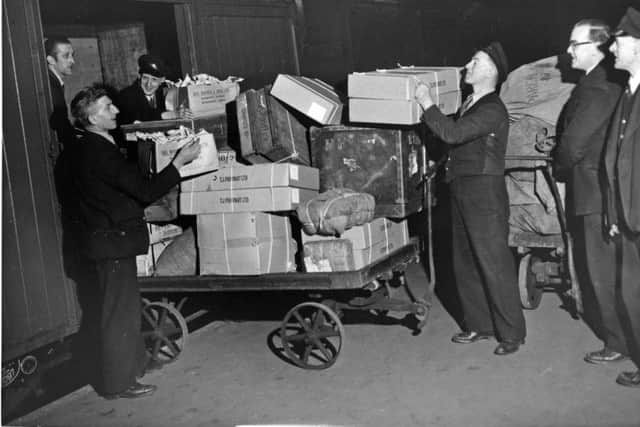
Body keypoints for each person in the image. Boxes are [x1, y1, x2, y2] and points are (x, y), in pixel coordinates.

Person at [69, 85, 200, 399]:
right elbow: (143, 191)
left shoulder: (93, 146)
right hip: (111, 244)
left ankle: (132, 368)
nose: (115, 110)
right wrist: (178, 163)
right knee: (118, 314)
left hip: (108, 242)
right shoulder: (98, 151)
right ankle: (118, 384)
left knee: (121, 310)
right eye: (107, 106)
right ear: (91, 117)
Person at [415, 42, 526, 356]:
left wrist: (426, 102)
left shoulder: (492, 108)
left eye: (475, 61)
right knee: (464, 261)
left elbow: (452, 134)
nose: (467, 65)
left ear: (491, 70)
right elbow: (454, 142)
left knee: (493, 261)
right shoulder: (470, 103)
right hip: (462, 188)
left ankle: (511, 333)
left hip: (484, 193)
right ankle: (479, 324)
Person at [554, 20, 627, 365]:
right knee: (603, 272)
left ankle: (619, 343)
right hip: (596, 192)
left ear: (598, 45)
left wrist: (559, 166)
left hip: (596, 194)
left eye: (574, 44)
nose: (567, 51)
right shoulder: (597, 82)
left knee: (602, 272)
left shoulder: (599, 86)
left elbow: (575, 142)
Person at [604, 6, 640, 388]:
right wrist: (615, 212)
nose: (612, 47)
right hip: (629, 217)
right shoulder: (626, 93)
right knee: (633, 295)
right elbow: (616, 161)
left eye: (620, 40)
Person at [117, 53, 181, 125]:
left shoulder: (163, 93)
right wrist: (171, 115)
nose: (148, 84)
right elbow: (139, 115)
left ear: (162, 80)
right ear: (139, 76)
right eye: (145, 78)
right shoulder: (126, 95)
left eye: (154, 80)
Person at [45, 36, 77, 148]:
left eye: (72, 55)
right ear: (51, 60)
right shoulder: (51, 85)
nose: (72, 61)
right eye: (66, 56)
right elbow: (60, 123)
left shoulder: (53, 81)